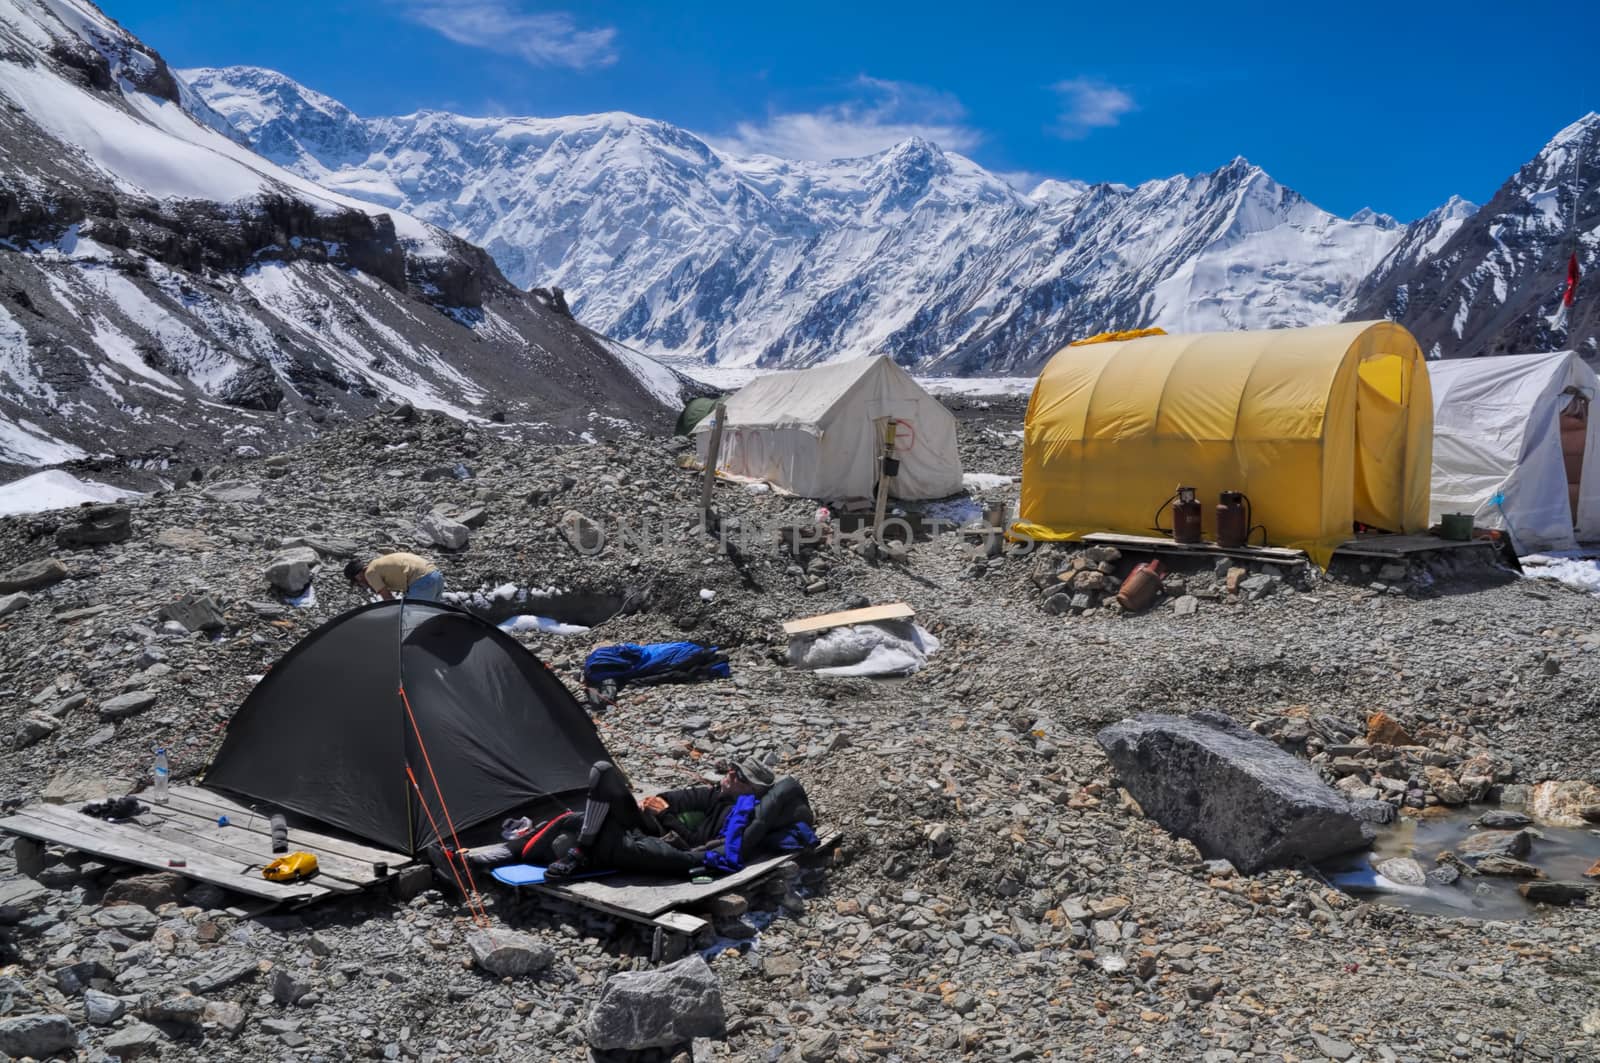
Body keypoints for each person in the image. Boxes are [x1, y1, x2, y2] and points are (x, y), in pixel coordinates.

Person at [545, 755, 816, 880]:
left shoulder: (738, 816)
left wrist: (665, 814)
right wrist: (653, 803)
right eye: (733, 768)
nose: (730, 773)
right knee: (603, 775)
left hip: (667, 842)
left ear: (751, 789)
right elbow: (679, 797)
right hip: (652, 827)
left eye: (738, 776)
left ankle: (580, 850)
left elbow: (697, 845)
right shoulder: (718, 794)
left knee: (586, 816)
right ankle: (579, 846)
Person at [344, 552, 442, 601]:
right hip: (436, 575)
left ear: (358, 576)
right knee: (432, 615)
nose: (360, 584)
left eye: (357, 582)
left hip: (422, 581)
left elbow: (388, 599)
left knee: (412, 618)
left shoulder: (369, 574)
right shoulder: (376, 566)